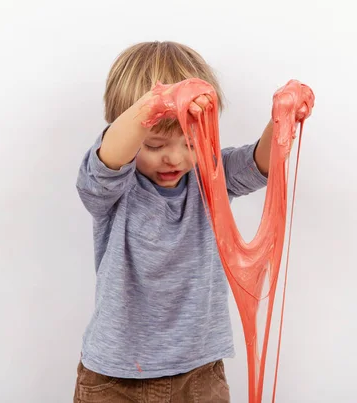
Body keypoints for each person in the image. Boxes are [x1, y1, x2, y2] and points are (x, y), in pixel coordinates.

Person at [73, 41, 308, 403]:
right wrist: (156, 104)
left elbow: (262, 163)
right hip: (116, 378)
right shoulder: (112, 188)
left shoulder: (211, 176)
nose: (175, 158)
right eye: (154, 145)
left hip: (199, 374)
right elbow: (109, 157)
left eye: (191, 142)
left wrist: (283, 117)